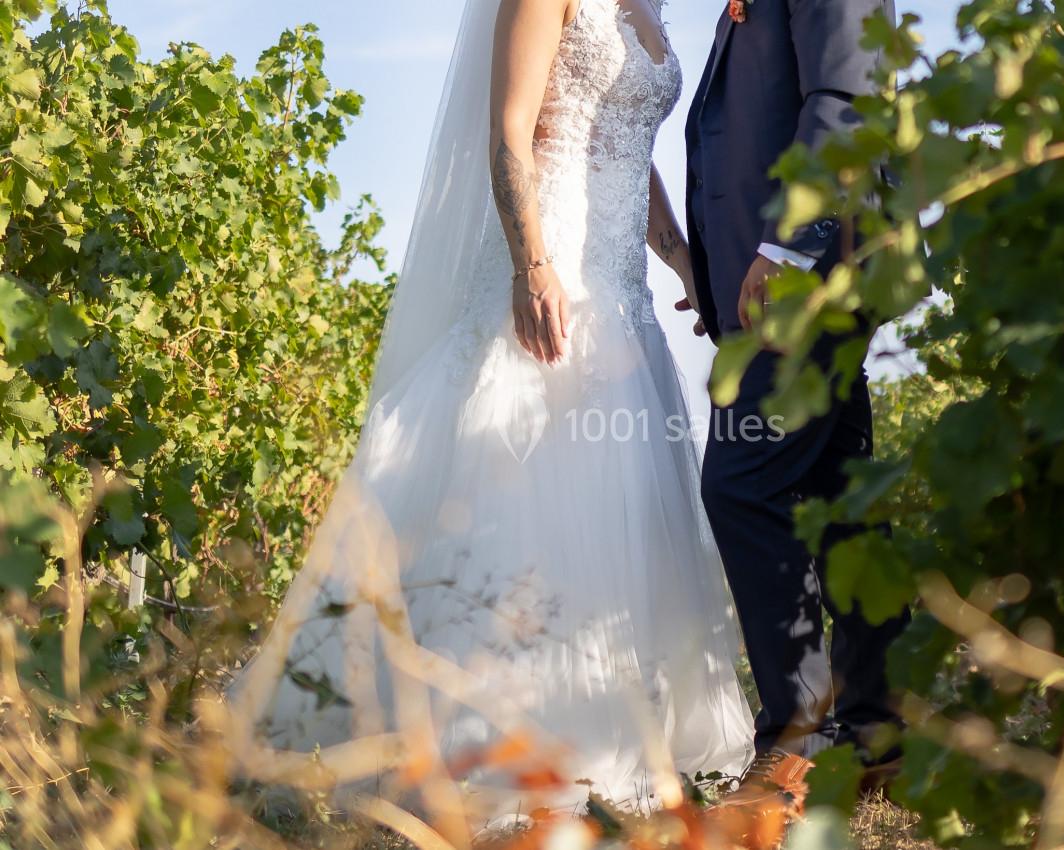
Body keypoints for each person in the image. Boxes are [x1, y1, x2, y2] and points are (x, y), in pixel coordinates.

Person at [229, 0, 753, 828]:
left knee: (617, 510)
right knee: (525, 500)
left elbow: (627, 149)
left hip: (622, 290)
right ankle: (485, 749)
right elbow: (510, 130)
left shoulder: (646, 7)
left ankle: (609, 738)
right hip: (551, 269)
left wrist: (681, 256)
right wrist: (531, 265)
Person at [682, 0, 910, 802]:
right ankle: (879, 733)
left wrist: (783, 249)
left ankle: (796, 747)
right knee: (841, 497)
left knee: (741, 485)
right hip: (792, 280)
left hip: (807, 276)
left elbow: (844, 96)